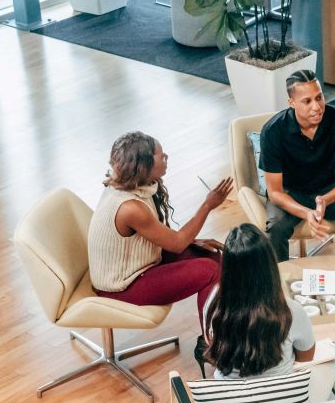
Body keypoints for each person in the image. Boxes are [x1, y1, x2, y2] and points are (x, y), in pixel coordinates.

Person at [88, 131, 233, 333]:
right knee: (210, 272)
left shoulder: (135, 186)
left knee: (214, 257)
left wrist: (193, 241)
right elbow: (177, 243)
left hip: (139, 264)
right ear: (144, 164)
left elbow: (165, 238)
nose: (166, 157)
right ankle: (214, 348)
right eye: (161, 155)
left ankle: (226, 334)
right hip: (121, 287)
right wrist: (208, 205)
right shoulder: (131, 207)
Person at [203, 224, 335, 403]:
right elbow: (306, 357)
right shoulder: (290, 311)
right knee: (332, 365)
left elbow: (210, 341)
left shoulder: (214, 303)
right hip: (280, 401)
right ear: (269, 266)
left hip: (231, 401)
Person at [260, 69, 335, 261]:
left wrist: (325, 200)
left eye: (319, 97)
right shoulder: (272, 132)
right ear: (292, 103)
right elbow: (275, 192)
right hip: (290, 192)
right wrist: (307, 212)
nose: (317, 107)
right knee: (276, 227)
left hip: (330, 188)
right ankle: (278, 284)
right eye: (307, 101)